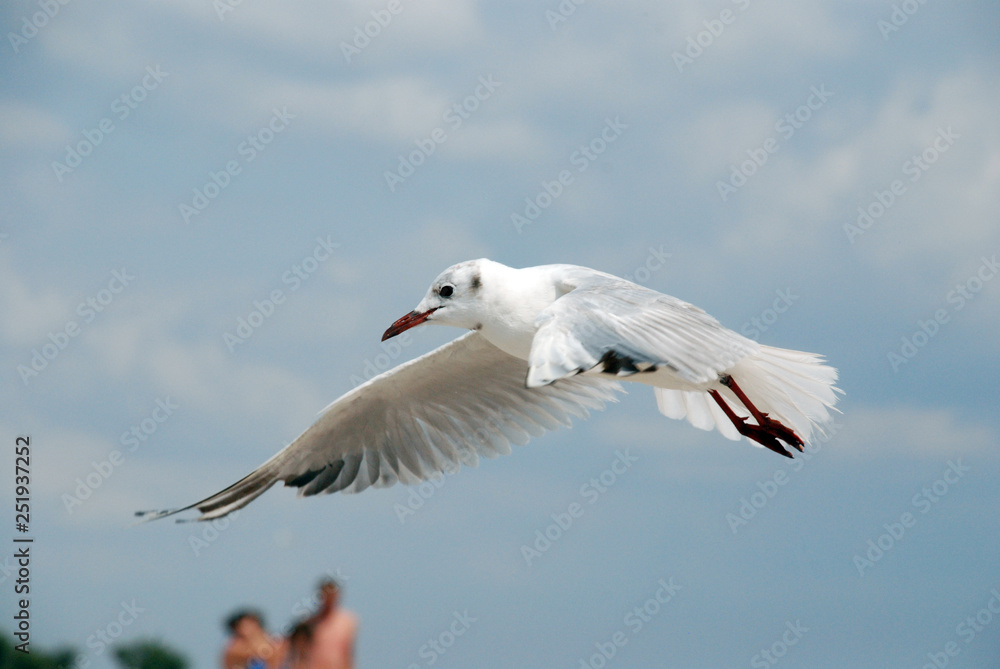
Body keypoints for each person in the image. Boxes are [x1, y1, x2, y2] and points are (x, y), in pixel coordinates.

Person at [304, 579, 358, 669]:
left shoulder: (347, 623)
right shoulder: (310, 623)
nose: (329, 598)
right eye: (326, 595)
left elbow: (349, 653)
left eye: (332, 595)